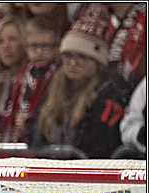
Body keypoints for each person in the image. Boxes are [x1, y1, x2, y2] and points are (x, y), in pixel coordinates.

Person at [31, 4, 134, 159]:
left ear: (97, 63)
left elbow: (101, 150)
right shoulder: (53, 87)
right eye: (68, 56)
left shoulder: (109, 96)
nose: (73, 63)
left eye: (82, 57)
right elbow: (36, 143)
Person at [0, 14, 62, 145]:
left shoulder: (59, 77)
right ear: (25, 47)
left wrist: (31, 122)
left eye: (45, 46)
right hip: (15, 144)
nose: (39, 52)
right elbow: (8, 111)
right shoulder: (18, 76)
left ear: (57, 47)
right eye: (34, 46)